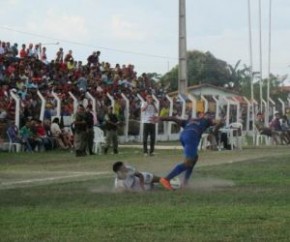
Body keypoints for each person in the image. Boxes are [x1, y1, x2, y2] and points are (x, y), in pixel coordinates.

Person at [150, 112, 220, 190]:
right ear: (202, 116)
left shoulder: (189, 120)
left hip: (183, 136)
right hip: (192, 136)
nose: (209, 117)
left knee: (194, 158)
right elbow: (217, 122)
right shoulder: (206, 120)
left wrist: (161, 118)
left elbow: (174, 119)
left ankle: (185, 182)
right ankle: (166, 179)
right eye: (208, 116)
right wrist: (218, 124)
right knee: (188, 162)